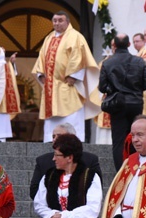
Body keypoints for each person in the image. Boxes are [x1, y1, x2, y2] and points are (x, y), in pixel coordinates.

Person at [32, 11, 101, 143]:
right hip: (51, 88)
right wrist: (41, 74)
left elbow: (79, 57)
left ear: (67, 22)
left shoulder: (75, 37)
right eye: (55, 20)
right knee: (51, 122)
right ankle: (49, 142)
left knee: (71, 117)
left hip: (69, 85)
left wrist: (74, 75)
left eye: (60, 20)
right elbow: (42, 57)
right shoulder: (49, 38)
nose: (57, 23)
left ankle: (73, 142)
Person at [99, 33, 146, 170]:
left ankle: (120, 171)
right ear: (129, 44)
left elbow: (102, 87)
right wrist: (135, 87)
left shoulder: (107, 63)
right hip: (135, 103)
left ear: (114, 45)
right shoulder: (139, 61)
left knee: (118, 141)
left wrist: (114, 89)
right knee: (136, 136)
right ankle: (136, 167)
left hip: (117, 104)